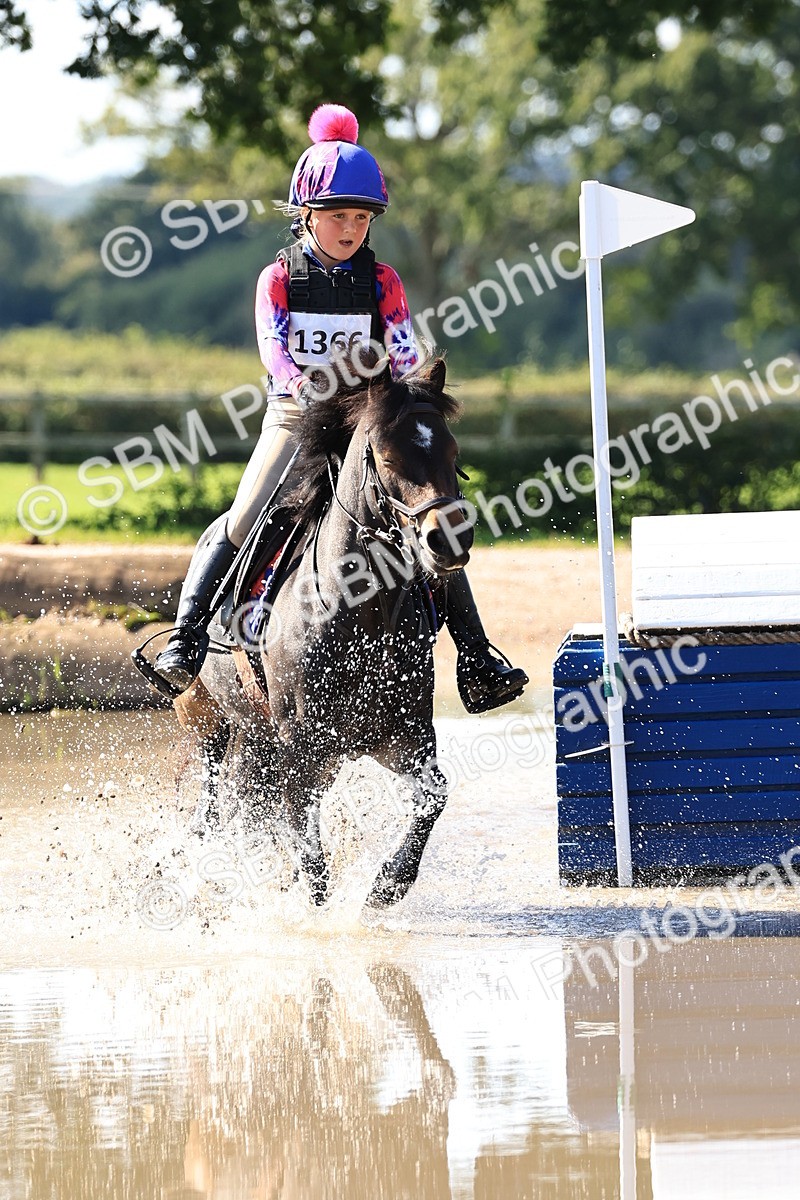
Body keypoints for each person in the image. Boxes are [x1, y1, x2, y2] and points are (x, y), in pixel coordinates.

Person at [154, 104, 528, 713]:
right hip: (296, 417)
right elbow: (273, 347)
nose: (351, 227)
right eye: (337, 216)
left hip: (370, 419)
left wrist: (408, 387)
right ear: (307, 214)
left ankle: (477, 655)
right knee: (243, 518)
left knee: (434, 517)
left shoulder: (383, 280)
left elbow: (402, 343)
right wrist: (300, 385)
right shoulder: (278, 278)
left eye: (361, 216)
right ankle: (187, 642)